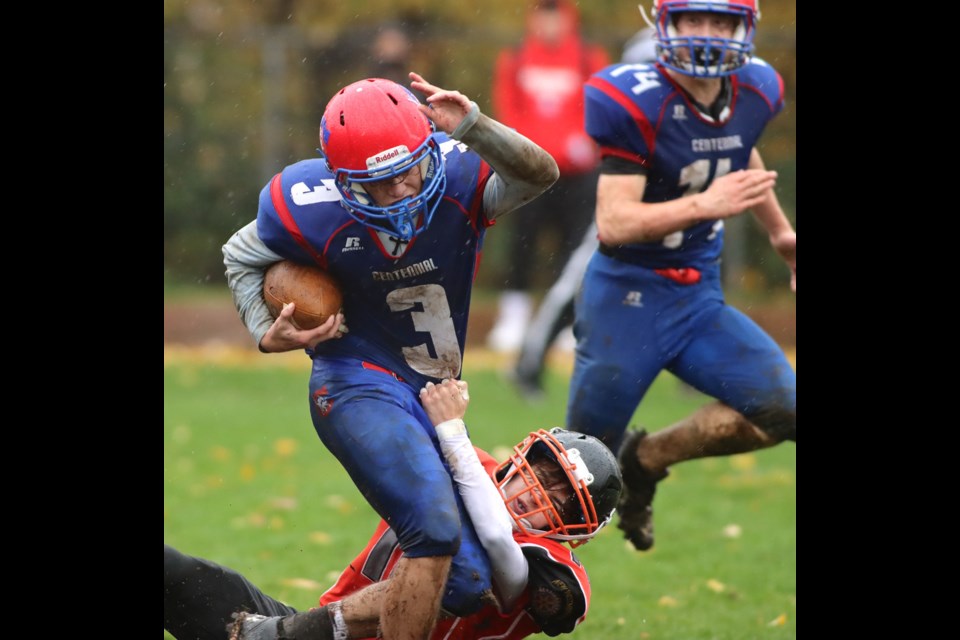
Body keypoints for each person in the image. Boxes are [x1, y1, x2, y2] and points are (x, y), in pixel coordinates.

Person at [221, 73, 559, 638]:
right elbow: (240, 253)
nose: (401, 190)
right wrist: (266, 330)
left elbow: (540, 173)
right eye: (378, 184)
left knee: (467, 581)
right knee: (432, 530)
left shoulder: (458, 175)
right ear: (344, 182)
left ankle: (276, 634)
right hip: (357, 381)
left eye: (410, 171)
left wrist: (476, 127)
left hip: (429, 393)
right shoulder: (309, 207)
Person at [566, 0, 796, 552]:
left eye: (722, 22)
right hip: (626, 297)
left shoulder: (757, 88)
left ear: (745, 29)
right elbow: (615, 222)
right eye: (695, 19)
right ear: (665, 23)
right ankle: (508, 577)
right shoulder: (633, 98)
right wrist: (706, 204)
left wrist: (781, 234)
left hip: (698, 297)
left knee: (785, 410)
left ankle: (648, 459)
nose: (708, 35)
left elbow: (740, 151)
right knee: (576, 471)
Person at [163, 379, 623, 640]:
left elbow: (500, 548)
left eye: (559, 502)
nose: (534, 495)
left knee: (463, 570)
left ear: (572, 531)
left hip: (306, 633)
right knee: (176, 575)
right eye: (539, 477)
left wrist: (454, 435)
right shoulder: (456, 456)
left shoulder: (558, 571)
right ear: (518, 460)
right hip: (311, 628)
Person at [511, 26, 659, 400]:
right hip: (622, 210)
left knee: (688, 281)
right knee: (578, 284)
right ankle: (529, 363)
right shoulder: (627, 115)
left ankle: (695, 375)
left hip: (676, 215)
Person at [485, 0, 610, 353]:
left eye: (556, 14)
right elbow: (507, 111)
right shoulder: (516, 57)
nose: (550, 22)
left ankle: (568, 323)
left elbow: (603, 106)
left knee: (576, 250)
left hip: (578, 175)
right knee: (521, 247)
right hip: (530, 174)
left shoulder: (588, 56)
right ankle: (514, 317)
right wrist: (530, 150)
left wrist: (588, 140)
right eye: (543, 14)